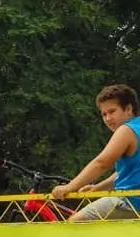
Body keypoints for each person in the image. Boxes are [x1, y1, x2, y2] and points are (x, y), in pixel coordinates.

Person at [52, 84, 140, 220]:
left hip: (130, 201)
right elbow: (126, 172)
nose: (108, 119)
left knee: (75, 222)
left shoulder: (126, 130)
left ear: (128, 109)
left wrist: (69, 187)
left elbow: (101, 163)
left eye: (112, 111)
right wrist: (98, 188)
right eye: (104, 114)